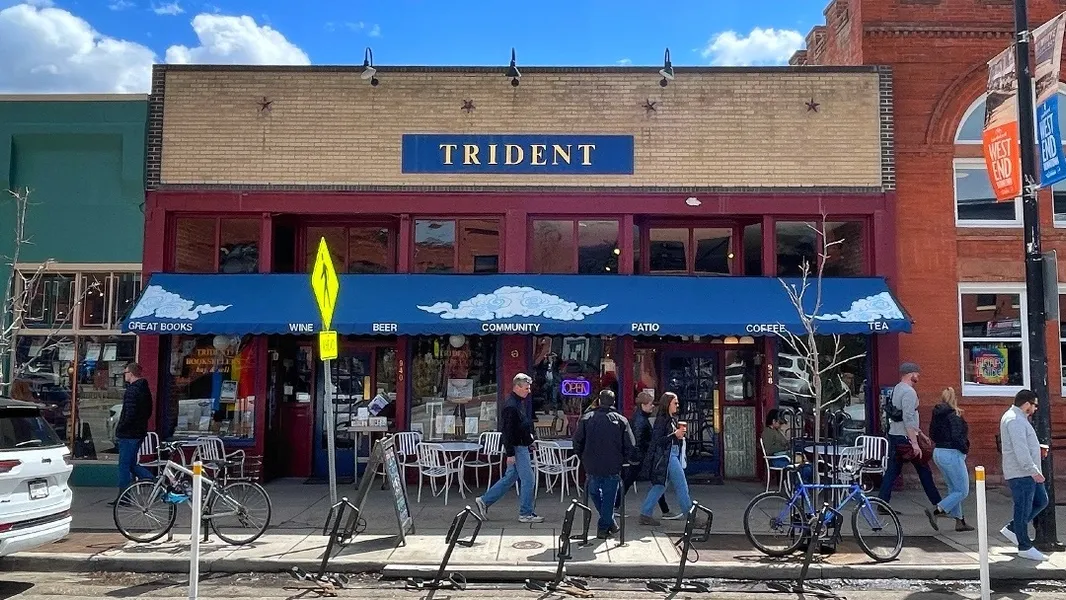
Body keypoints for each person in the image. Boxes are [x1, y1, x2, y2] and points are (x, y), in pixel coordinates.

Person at [475, 373, 543, 523]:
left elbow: (522, 427)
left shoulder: (517, 403)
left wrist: (529, 441)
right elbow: (507, 431)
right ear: (517, 387)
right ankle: (525, 513)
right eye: (526, 388)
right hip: (517, 448)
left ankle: (484, 501)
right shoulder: (511, 406)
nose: (529, 391)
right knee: (529, 480)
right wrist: (510, 453)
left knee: (510, 478)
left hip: (521, 446)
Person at [878, 362, 942, 514]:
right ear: (910, 374)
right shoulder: (909, 392)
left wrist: (921, 434)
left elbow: (904, 417)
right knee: (924, 470)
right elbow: (907, 418)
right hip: (905, 438)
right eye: (917, 374)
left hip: (896, 434)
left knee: (892, 471)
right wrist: (915, 443)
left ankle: (882, 503)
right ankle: (939, 505)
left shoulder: (897, 389)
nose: (918, 376)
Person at [573, 389, 635, 538]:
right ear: (613, 402)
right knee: (608, 497)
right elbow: (630, 444)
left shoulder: (586, 418)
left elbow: (577, 442)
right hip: (612, 465)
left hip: (592, 465)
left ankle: (605, 525)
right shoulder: (621, 420)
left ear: (599, 401)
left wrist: (583, 457)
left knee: (594, 493)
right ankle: (607, 524)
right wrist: (624, 460)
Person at [999, 389, 1049, 561]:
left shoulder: (1019, 418)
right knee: (1023, 508)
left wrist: (1037, 448)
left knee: (1041, 501)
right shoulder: (1014, 420)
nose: (1035, 409)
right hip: (1022, 473)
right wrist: (1033, 471)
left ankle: (1013, 529)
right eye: (1034, 405)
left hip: (1026, 471)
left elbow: (1023, 444)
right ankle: (1024, 546)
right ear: (1026, 403)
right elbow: (1020, 450)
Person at [616, 391, 678, 519]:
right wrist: (641, 457)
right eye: (650, 404)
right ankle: (664, 511)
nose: (652, 406)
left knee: (653, 482)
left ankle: (616, 506)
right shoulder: (640, 420)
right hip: (640, 457)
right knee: (656, 482)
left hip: (640, 457)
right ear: (643, 405)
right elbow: (638, 441)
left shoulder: (640, 417)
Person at [638, 392, 694, 526]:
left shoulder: (671, 419)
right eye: (675, 403)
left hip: (671, 453)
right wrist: (674, 435)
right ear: (667, 404)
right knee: (682, 485)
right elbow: (657, 440)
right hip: (668, 455)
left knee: (660, 486)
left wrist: (678, 436)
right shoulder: (662, 420)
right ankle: (690, 515)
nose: (677, 405)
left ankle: (645, 513)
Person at [926, 387, 974, 532]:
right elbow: (957, 436)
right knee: (962, 490)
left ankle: (960, 521)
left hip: (938, 452)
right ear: (955, 398)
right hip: (952, 453)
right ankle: (937, 510)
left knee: (953, 488)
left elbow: (932, 434)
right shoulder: (954, 415)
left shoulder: (937, 415)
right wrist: (965, 448)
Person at [113, 362, 154, 504]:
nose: (124, 376)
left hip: (129, 434)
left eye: (125, 373)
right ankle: (153, 482)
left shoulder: (132, 390)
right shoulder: (145, 389)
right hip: (139, 432)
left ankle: (124, 496)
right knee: (131, 464)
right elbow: (148, 411)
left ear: (131, 373)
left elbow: (128, 414)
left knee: (124, 465)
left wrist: (121, 428)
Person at [762, 409, 812, 486]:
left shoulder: (777, 431)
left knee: (806, 463)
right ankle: (798, 485)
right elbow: (769, 449)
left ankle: (800, 484)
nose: (781, 425)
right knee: (804, 467)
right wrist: (785, 448)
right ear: (773, 421)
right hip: (777, 459)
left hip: (783, 456)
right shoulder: (768, 432)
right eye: (780, 422)